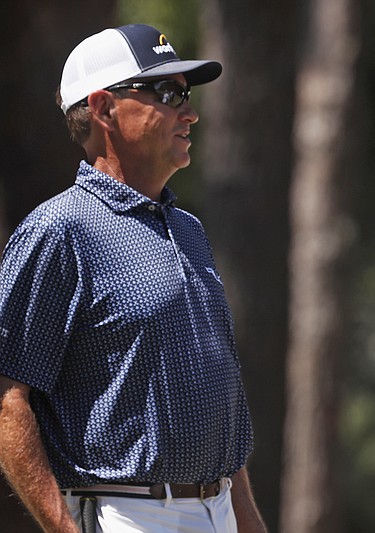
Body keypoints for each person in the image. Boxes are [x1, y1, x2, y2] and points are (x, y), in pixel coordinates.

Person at [0, 24, 267, 533]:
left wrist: (248, 520)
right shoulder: (59, 229)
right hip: (128, 514)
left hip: (220, 511)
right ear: (102, 110)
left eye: (186, 95)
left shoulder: (187, 229)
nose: (189, 112)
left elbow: (218, 400)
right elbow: (7, 397)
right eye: (167, 93)